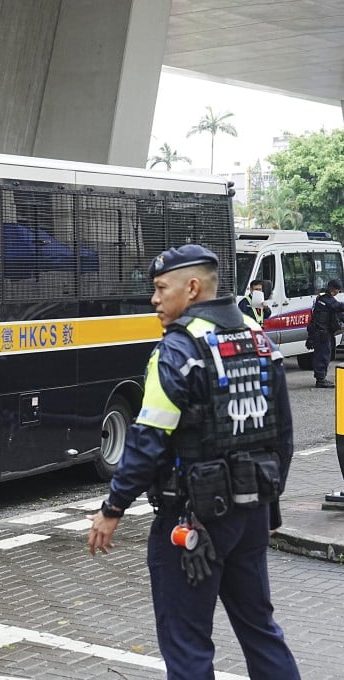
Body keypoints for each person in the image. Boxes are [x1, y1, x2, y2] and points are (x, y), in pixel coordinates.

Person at [86, 244, 299, 680]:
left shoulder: (177, 353)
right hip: (252, 512)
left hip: (192, 521)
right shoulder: (259, 339)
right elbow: (282, 436)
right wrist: (269, 503)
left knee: (187, 645)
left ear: (193, 288)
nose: (155, 299)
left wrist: (113, 509)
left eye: (162, 288)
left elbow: (147, 441)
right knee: (260, 629)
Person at [307, 278, 344, 388]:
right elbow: (338, 306)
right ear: (333, 288)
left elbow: (337, 314)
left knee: (326, 354)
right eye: (338, 289)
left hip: (322, 332)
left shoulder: (323, 298)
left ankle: (321, 377)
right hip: (322, 333)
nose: (338, 292)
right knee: (322, 355)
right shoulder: (326, 299)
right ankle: (321, 380)